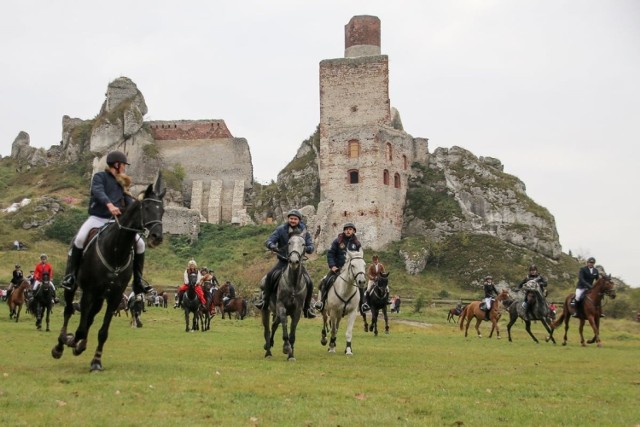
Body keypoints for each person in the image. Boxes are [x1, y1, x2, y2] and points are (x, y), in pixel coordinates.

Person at [60, 150, 152, 295]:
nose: (124, 168)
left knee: (140, 244)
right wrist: (109, 204)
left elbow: (129, 203)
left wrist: (139, 207)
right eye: (123, 165)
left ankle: (138, 280)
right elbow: (98, 191)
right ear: (116, 165)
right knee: (79, 239)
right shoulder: (99, 177)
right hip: (97, 218)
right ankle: (71, 276)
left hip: (115, 223)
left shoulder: (122, 184)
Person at [254, 209, 316, 319]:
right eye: (291, 218)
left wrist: (307, 248)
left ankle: (307, 308)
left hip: (297, 263)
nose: (293, 220)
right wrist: (272, 245)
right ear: (288, 219)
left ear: (299, 220)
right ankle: (265, 300)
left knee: (310, 282)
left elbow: (311, 246)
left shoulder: (304, 232)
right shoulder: (281, 229)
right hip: (283, 261)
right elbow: (269, 240)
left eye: (295, 219)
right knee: (269, 277)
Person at [314, 222, 362, 312]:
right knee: (325, 281)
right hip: (338, 269)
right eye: (346, 229)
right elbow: (330, 254)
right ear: (344, 231)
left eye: (350, 229)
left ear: (353, 231)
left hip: (351, 270)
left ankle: (363, 304)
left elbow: (359, 257)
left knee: (361, 283)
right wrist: (332, 266)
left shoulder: (357, 243)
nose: (348, 231)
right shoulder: (337, 241)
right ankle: (321, 302)